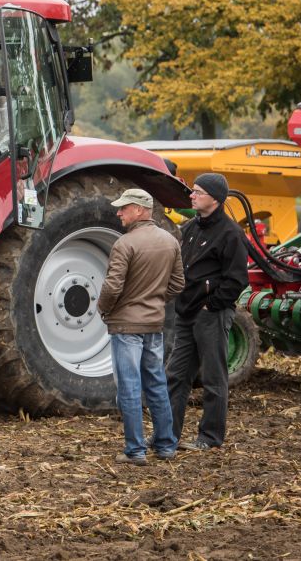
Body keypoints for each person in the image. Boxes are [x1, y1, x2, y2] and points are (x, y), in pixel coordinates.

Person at [97, 189, 184, 465]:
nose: (119, 213)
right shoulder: (170, 241)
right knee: (156, 383)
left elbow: (112, 287)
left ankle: (135, 450)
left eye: (124, 208)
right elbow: (177, 284)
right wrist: (155, 300)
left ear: (139, 210)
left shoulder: (125, 244)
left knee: (130, 387)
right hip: (153, 324)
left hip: (125, 326)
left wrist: (103, 308)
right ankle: (166, 445)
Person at [166, 173, 249, 451]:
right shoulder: (190, 228)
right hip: (186, 312)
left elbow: (237, 280)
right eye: (193, 191)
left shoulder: (231, 234)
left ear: (215, 198)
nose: (192, 195)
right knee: (176, 376)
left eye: (198, 192)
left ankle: (210, 438)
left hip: (211, 315)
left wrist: (210, 305)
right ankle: (168, 435)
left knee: (214, 378)